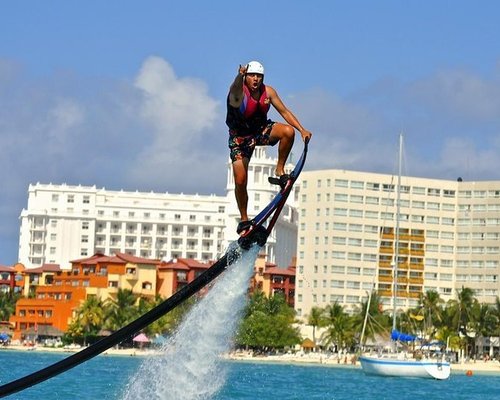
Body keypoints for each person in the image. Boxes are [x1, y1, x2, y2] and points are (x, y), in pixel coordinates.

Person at [226, 61, 312, 234]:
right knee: (241, 181)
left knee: (288, 132)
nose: (255, 79)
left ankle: (279, 172)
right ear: (246, 77)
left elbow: (285, 112)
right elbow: (235, 88)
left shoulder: (268, 92)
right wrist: (239, 76)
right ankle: (244, 219)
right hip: (240, 140)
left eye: (259, 76)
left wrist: (301, 129)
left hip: (260, 131)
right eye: (252, 76)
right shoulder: (238, 93)